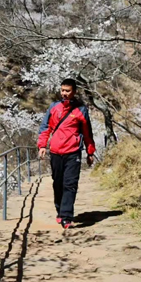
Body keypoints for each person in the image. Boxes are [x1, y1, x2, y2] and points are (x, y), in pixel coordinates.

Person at [37, 78, 95, 229]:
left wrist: (90, 151)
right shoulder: (54, 107)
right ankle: (60, 210)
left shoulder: (81, 110)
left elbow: (87, 132)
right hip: (56, 151)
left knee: (70, 184)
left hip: (73, 152)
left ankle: (66, 216)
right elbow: (45, 127)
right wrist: (42, 145)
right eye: (62, 90)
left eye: (67, 91)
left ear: (74, 92)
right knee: (58, 183)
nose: (64, 93)